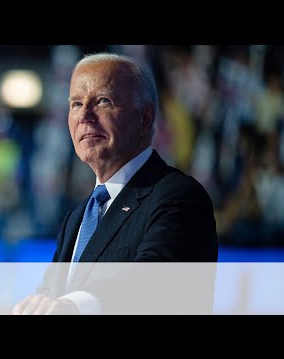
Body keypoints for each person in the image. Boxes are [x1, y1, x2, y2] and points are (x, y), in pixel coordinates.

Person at [13, 52, 218, 315]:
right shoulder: (78, 218)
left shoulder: (179, 197)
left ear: (145, 118)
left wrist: (74, 306)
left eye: (103, 101)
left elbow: (155, 280)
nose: (85, 115)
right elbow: (50, 298)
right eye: (76, 103)